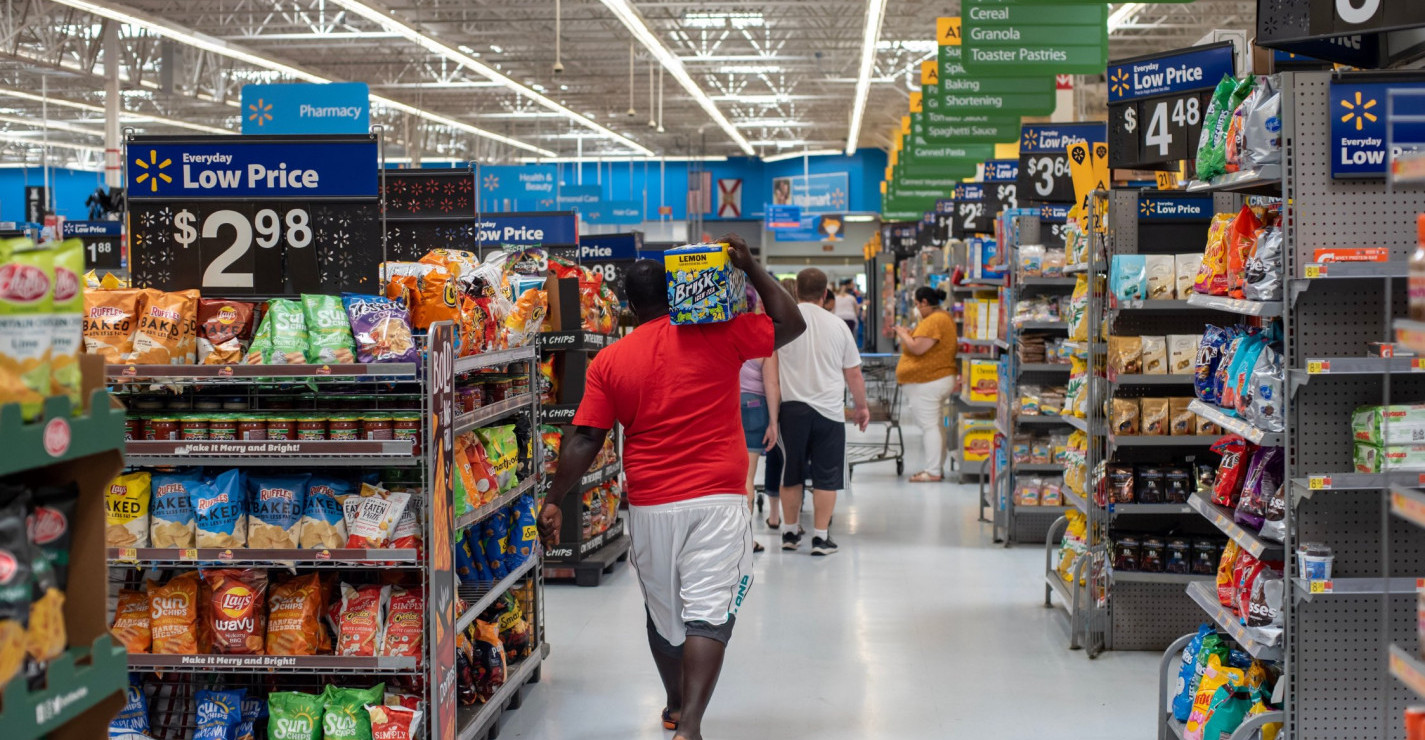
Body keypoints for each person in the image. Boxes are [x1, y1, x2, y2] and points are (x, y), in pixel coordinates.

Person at [539, 234, 805, 740]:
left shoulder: (610, 360)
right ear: (679, 291)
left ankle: (676, 705)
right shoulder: (720, 333)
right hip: (719, 497)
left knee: (664, 615)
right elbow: (791, 324)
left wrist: (554, 500)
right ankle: (691, 727)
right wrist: (749, 266)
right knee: (708, 612)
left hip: (651, 504)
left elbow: (585, 438)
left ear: (628, 306)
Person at [776, 267, 869, 556]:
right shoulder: (838, 325)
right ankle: (820, 537)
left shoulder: (784, 323)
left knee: (791, 473)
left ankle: (790, 533)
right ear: (825, 294)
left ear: (796, 291)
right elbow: (853, 373)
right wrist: (861, 407)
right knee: (826, 476)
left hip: (791, 409)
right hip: (829, 411)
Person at [894, 286, 958, 482]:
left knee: (930, 427)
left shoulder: (935, 320)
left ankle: (933, 471)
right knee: (935, 425)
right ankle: (935, 468)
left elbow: (917, 348)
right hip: (933, 379)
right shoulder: (939, 318)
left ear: (924, 302)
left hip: (930, 380)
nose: (916, 309)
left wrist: (902, 334)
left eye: (916, 304)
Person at [740, 287, 781, 552]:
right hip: (754, 407)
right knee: (748, 477)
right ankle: (745, 540)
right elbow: (772, 384)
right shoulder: (763, 336)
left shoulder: (716, 333)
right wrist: (773, 423)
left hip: (723, 407)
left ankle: (727, 538)